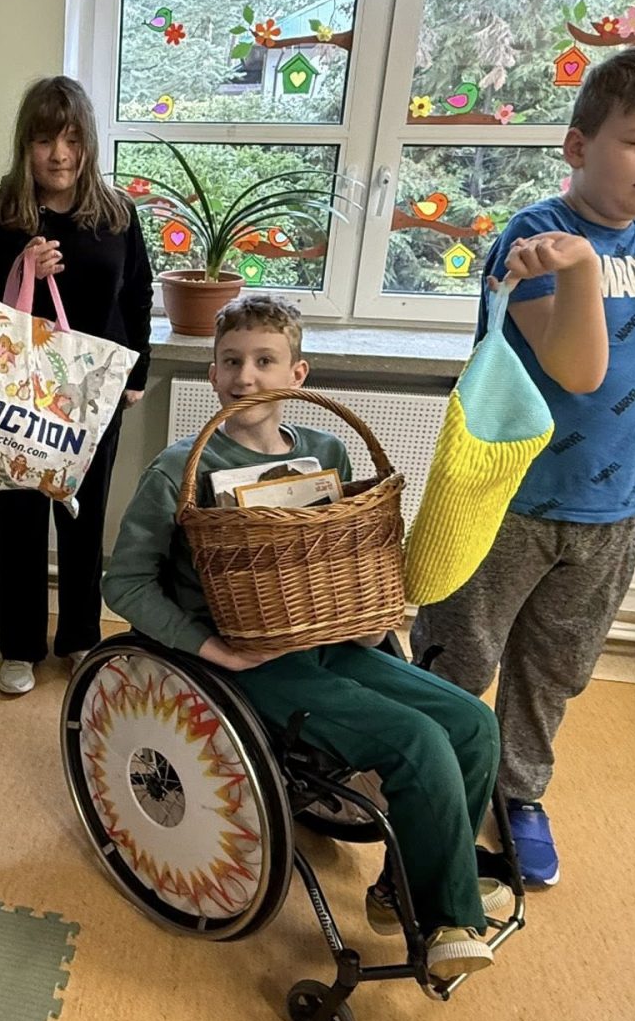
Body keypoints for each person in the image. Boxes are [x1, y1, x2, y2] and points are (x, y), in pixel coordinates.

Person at [104, 294, 508, 981]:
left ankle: (402, 889)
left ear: (297, 374)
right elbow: (126, 583)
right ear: (212, 372)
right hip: (244, 658)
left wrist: (372, 614)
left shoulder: (326, 451)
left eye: (265, 361)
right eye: (231, 361)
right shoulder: (179, 469)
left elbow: (342, 556)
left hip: (331, 638)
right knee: (416, 740)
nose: (246, 376)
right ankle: (446, 916)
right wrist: (213, 649)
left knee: (471, 723)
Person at [412, 48, 635, 888]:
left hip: (610, 511)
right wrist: (582, 265)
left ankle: (519, 794)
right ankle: (433, 774)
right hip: (509, 503)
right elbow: (578, 370)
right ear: (578, 147)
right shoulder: (535, 239)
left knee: (556, 666)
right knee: (461, 654)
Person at [0, 76, 152, 695]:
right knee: (19, 517)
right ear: (26, 144)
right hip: (20, 395)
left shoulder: (116, 214)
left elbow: (138, 294)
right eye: (44, 140)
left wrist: (138, 373)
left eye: (72, 140)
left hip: (94, 396)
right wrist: (20, 266)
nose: (59, 155)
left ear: (88, 143)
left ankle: (79, 636)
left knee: (83, 518)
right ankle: (19, 646)